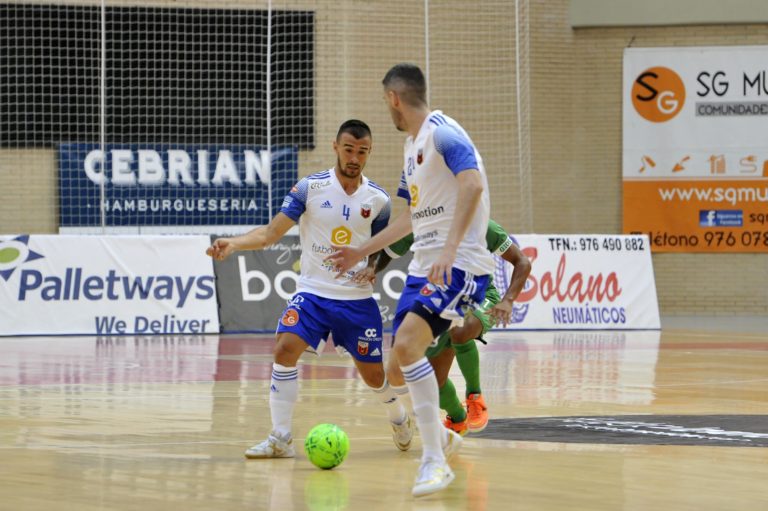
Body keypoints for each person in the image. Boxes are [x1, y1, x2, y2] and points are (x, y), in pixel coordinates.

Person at [326, 63, 496, 497]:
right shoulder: (411, 147)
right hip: (423, 265)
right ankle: (444, 440)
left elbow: (472, 185)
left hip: (458, 264)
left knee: (406, 346)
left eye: (387, 102)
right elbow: (407, 217)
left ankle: (434, 460)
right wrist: (362, 251)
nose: (389, 110)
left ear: (394, 98)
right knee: (396, 366)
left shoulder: (443, 133)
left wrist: (452, 249)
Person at [206, 119, 413, 460]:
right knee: (284, 349)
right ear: (335, 147)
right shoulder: (309, 188)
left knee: (374, 376)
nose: (354, 158)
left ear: (369, 152)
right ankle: (281, 437)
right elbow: (271, 233)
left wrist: (373, 269)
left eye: (362, 151)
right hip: (313, 293)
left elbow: (382, 247)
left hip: (355, 301)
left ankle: (398, 416)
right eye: (348, 149)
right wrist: (235, 243)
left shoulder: (378, 199)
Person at [368, 220, 532, 435]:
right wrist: (372, 269)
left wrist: (508, 300)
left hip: (479, 296)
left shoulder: (483, 225)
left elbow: (522, 262)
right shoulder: (422, 221)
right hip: (436, 300)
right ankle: (457, 418)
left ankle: (475, 397)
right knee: (435, 382)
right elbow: (388, 251)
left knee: (461, 329)